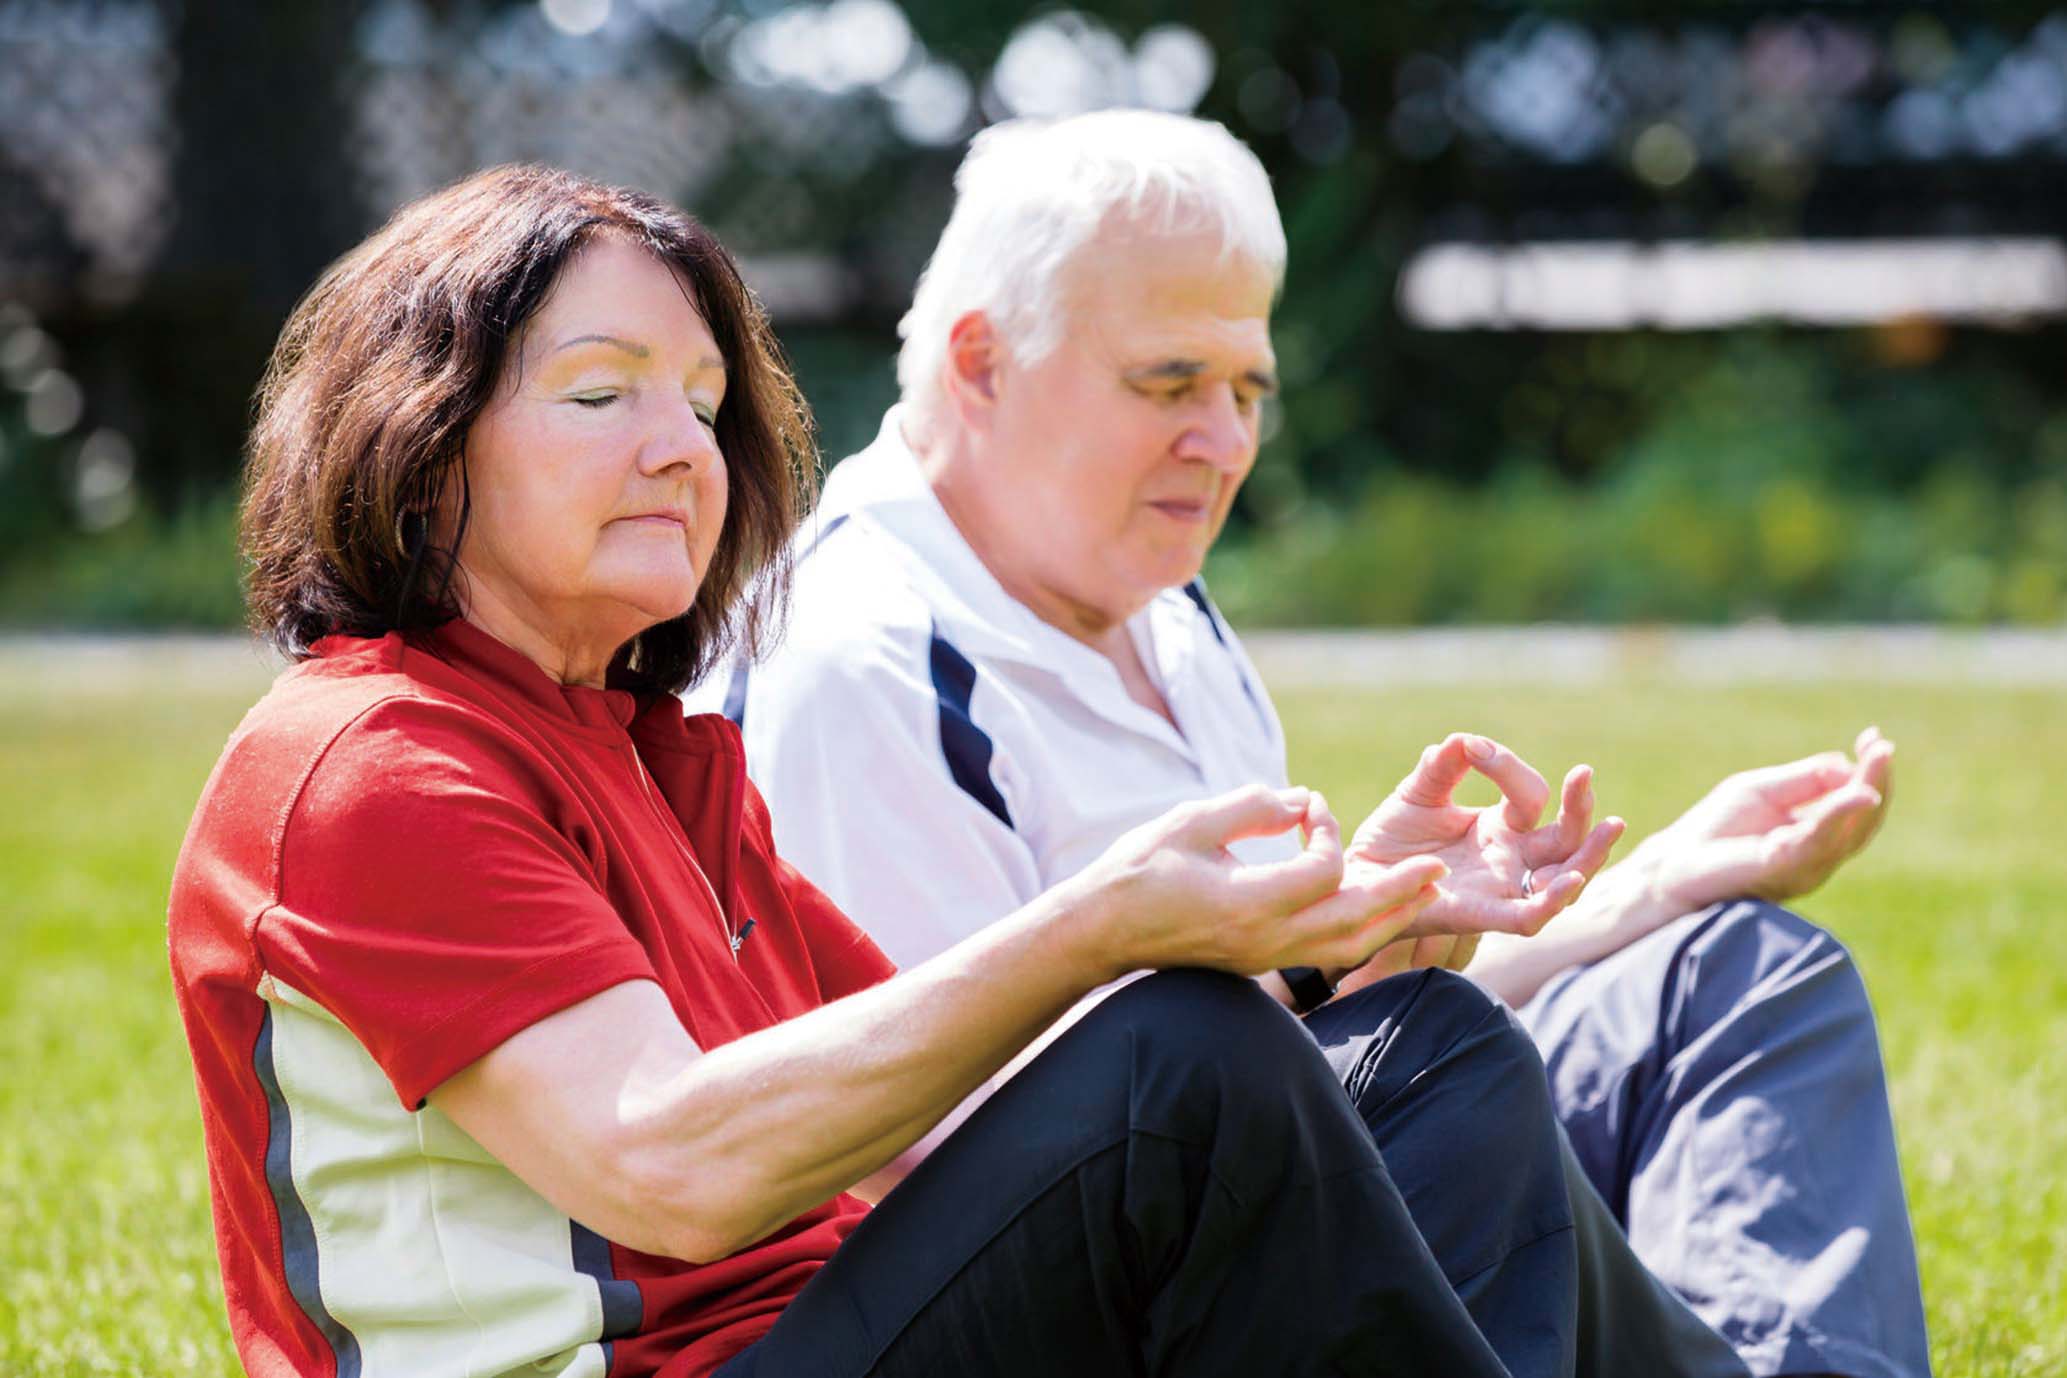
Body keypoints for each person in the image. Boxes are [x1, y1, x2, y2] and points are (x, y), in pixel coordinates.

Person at [168, 163, 1748, 1378]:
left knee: (1427, 1052)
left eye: (706, 403)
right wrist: (1112, 923)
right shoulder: (366, 762)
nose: (677, 445)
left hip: (830, 1333)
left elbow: (984, 1097)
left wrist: (1348, 929)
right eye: (600, 392)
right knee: (1180, 1067)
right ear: (418, 438)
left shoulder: (661, 763)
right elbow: (668, 1164)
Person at [702, 112, 1933, 1378]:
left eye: (1247, 391)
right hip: (1121, 1291)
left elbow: (1304, 1037)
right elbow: (991, 1177)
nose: (1225, 442)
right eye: (1170, 382)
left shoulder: (1162, 613)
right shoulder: (861, 660)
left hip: (1263, 1170)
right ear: (983, 362)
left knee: (1736, 971)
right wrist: (1335, 989)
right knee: (1454, 1067)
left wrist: (1647, 888)